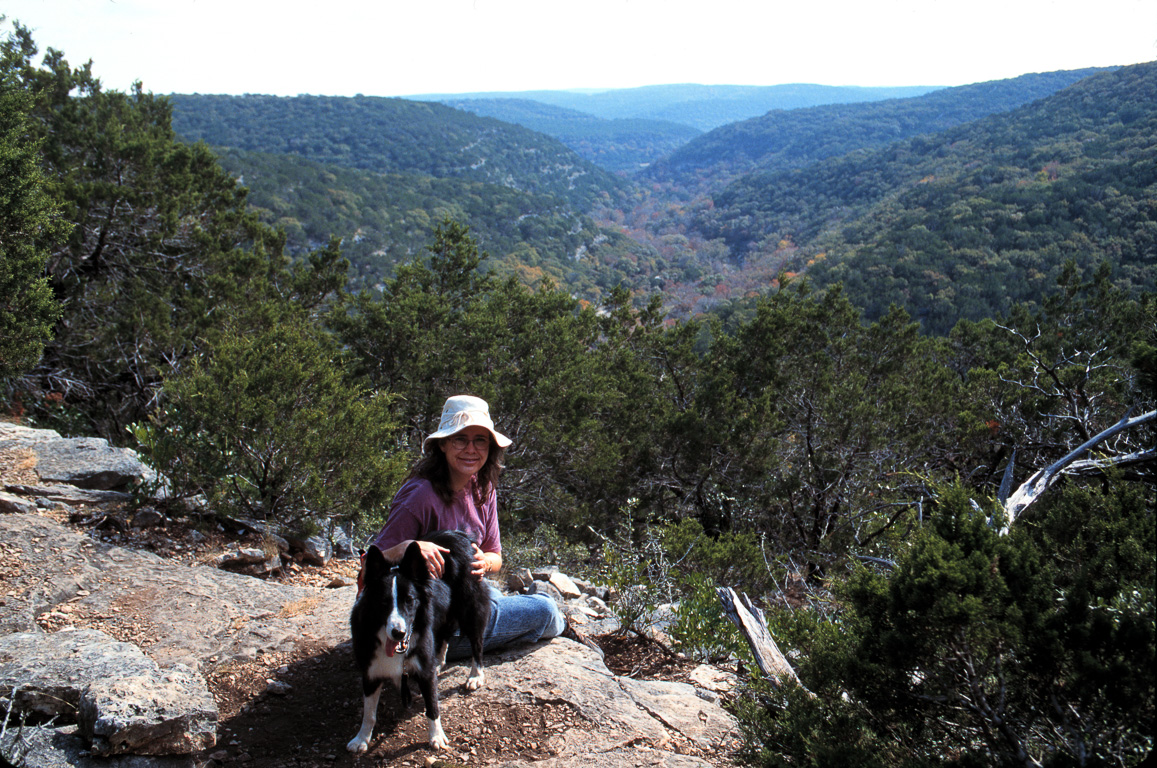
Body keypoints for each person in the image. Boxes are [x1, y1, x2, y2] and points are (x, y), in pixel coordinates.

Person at [366, 394, 565, 658]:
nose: (471, 449)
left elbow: (495, 557)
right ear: (443, 445)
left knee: (495, 598)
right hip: (425, 626)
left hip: (464, 600)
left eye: (480, 440)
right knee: (546, 611)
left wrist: (485, 563)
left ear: (489, 448)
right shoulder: (420, 496)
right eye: (460, 439)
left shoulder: (483, 489)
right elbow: (369, 565)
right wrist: (406, 547)